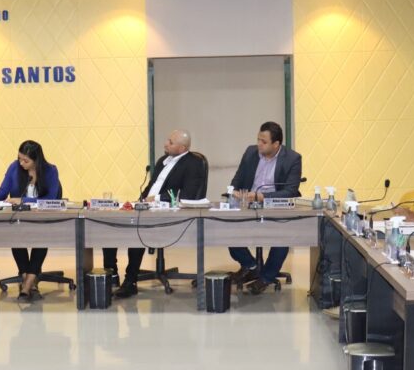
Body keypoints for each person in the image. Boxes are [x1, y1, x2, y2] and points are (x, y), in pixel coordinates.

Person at [106, 129, 206, 299]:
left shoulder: (193, 164)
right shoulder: (162, 161)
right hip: (147, 208)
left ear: (182, 148)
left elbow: (187, 194)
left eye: (170, 142)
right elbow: (151, 187)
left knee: (138, 230)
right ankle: (110, 275)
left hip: (169, 214)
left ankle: (130, 281)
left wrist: (156, 198)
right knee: (109, 224)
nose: (165, 144)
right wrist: (140, 201)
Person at [228, 121, 303, 295]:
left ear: (276, 144)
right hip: (248, 205)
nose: (259, 144)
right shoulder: (250, 152)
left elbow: (290, 191)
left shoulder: (293, 159)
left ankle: (266, 277)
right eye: (258, 140)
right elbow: (237, 179)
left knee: (282, 238)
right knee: (228, 229)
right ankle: (251, 266)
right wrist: (234, 191)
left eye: (264, 141)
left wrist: (262, 196)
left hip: (276, 207)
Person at [0, 140, 62, 301]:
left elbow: (51, 199)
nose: (21, 163)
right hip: (20, 219)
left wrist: (24, 200)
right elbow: (2, 192)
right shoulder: (14, 167)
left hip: (42, 220)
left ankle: (27, 283)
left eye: (26, 160)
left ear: (36, 160)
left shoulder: (51, 171)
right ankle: (29, 281)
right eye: (19, 158)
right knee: (15, 237)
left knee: (41, 238)